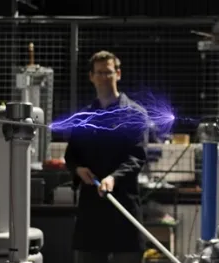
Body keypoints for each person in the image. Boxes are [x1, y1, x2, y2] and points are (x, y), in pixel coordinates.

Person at [65, 50, 149, 263]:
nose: (104, 77)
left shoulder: (134, 114)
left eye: (109, 72)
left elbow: (137, 156)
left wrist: (113, 178)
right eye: (99, 73)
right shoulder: (84, 116)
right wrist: (78, 169)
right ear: (91, 76)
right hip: (91, 208)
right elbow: (72, 153)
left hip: (123, 203)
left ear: (118, 74)